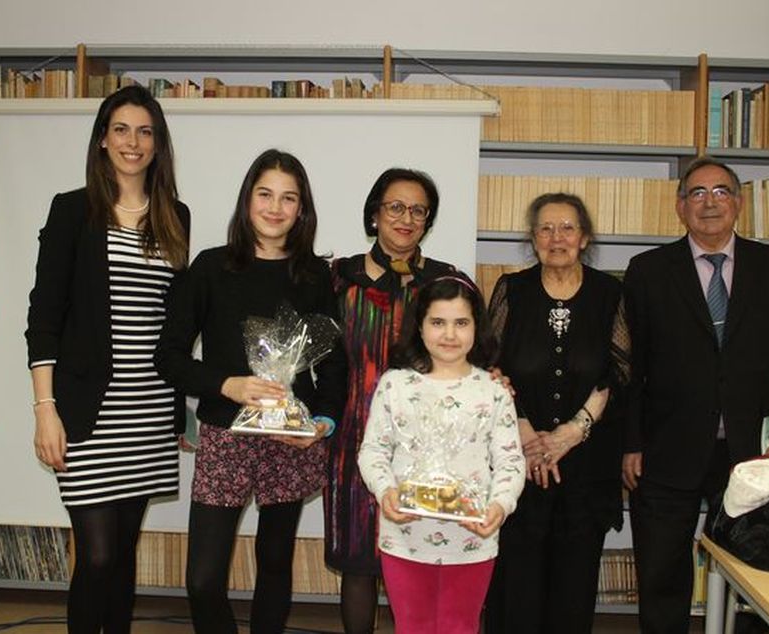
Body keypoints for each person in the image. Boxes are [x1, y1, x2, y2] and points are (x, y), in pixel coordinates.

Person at [154, 149, 346, 634]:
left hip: (290, 439)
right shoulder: (211, 268)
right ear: (247, 200)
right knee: (202, 578)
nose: (275, 208)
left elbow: (335, 366)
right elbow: (169, 356)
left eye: (289, 198)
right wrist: (226, 384)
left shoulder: (314, 276)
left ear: (302, 210)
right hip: (224, 435)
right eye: (265, 194)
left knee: (275, 565)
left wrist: (321, 424)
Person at [622, 156, 769, 633]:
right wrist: (630, 442)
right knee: (663, 572)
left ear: (739, 203)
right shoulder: (647, 270)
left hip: (754, 452)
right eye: (698, 194)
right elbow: (629, 368)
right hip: (666, 448)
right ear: (680, 206)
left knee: (755, 570)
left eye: (721, 192)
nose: (710, 203)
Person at [26, 85, 190, 634]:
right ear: (102, 139)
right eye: (121, 129)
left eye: (145, 131)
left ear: (158, 144)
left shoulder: (175, 217)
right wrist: (44, 410)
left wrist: (183, 407)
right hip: (87, 413)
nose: (133, 141)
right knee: (95, 556)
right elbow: (43, 318)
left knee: (121, 553)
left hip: (147, 411)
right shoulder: (73, 210)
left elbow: (175, 325)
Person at [483, 193, 630, 633]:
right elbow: (491, 367)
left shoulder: (611, 293)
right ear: (533, 238)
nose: (556, 237)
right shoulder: (512, 289)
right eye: (545, 229)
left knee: (573, 589)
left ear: (584, 238)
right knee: (517, 587)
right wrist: (527, 434)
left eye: (567, 228)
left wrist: (572, 432)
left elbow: (619, 371)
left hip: (586, 468)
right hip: (518, 463)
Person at [322, 167, 455, 633]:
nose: (407, 218)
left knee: (418, 562)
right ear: (374, 214)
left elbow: (468, 355)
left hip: (427, 447)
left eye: (418, 210)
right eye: (395, 207)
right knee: (359, 562)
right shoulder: (339, 278)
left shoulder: (445, 283)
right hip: (355, 440)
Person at [357, 275, 525, 634]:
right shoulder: (395, 384)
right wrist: (386, 491)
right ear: (419, 326)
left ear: (477, 327)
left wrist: (499, 505)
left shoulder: (493, 390)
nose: (450, 334)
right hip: (404, 536)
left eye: (461, 323)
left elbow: (510, 461)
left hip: (472, 539)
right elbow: (373, 450)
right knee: (412, 626)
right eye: (438, 322)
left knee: (459, 626)